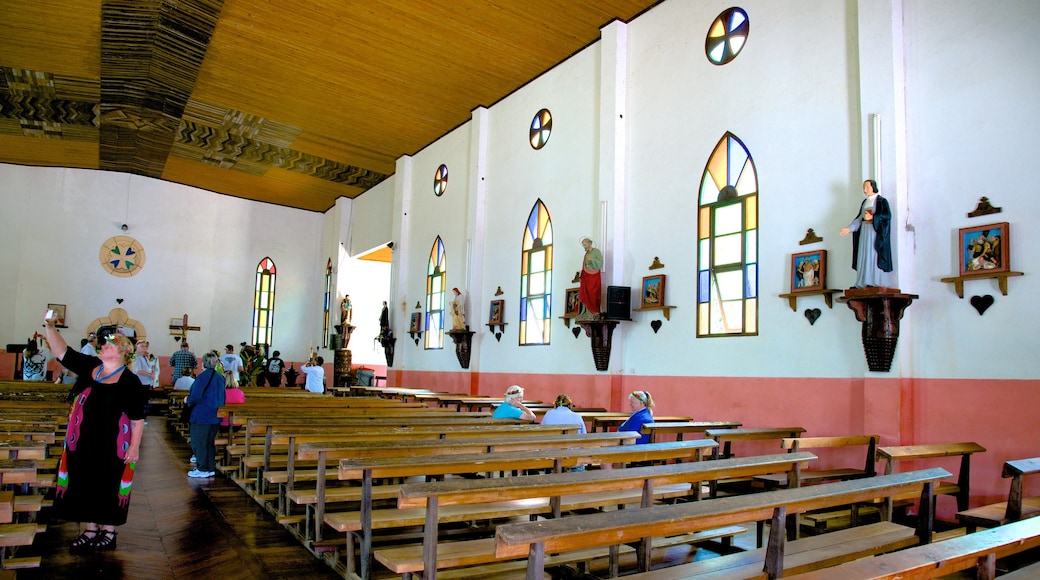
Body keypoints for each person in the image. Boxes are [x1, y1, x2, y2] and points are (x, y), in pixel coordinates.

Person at [42, 311, 145, 554]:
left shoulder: (130, 381)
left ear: (122, 352)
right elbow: (62, 353)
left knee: (107, 485)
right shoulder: (90, 366)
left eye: (109, 344)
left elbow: (137, 419)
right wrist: (49, 326)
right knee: (82, 483)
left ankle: (108, 532)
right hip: (81, 441)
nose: (104, 345)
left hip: (113, 445)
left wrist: (134, 446)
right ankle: (90, 529)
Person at [839, 179, 893, 288]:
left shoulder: (882, 201)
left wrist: (873, 217)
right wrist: (849, 229)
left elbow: (887, 216)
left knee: (874, 254)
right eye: (864, 187)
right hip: (864, 232)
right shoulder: (864, 202)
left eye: (867, 187)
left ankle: (875, 281)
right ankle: (862, 282)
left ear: (873, 187)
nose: (865, 189)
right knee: (863, 255)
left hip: (875, 233)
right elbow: (859, 218)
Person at [185, 352, 226, 478]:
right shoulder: (220, 377)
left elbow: (196, 396)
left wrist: (188, 400)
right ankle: (210, 467)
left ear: (203, 363)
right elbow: (222, 397)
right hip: (215, 414)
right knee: (209, 442)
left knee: (199, 442)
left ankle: (202, 468)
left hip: (202, 415)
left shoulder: (202, 377)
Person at [579, 236, 603, 315]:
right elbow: (584, 266)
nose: (584, 246)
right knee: (585, 293)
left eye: (585, 244)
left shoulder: (596, 252)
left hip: (594, 276)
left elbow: (600, 264)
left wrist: (592, 260)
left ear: (590, 243)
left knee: (593, 292)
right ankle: (586, 311)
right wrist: (581, 275)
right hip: (586, 276)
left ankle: (594, 311)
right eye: (583, 245)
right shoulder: (586, 254)